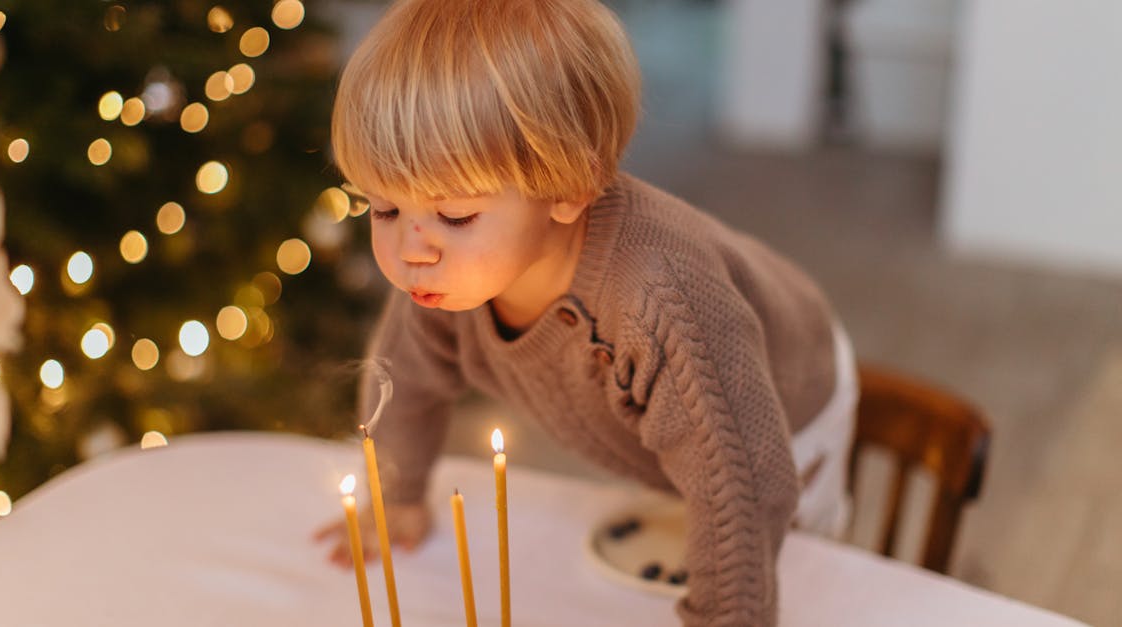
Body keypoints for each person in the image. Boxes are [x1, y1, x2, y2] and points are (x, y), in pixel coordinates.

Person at [314, 0, 858, 624]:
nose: (411, 250)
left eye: (455, 216)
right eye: (384, 210)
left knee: (801, 569)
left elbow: (745, 481)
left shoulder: (660, 298)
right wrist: (396, 495)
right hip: (676, 420)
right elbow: (406, 378)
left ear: (570, 188)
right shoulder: (444, 273)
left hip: (782, 404)